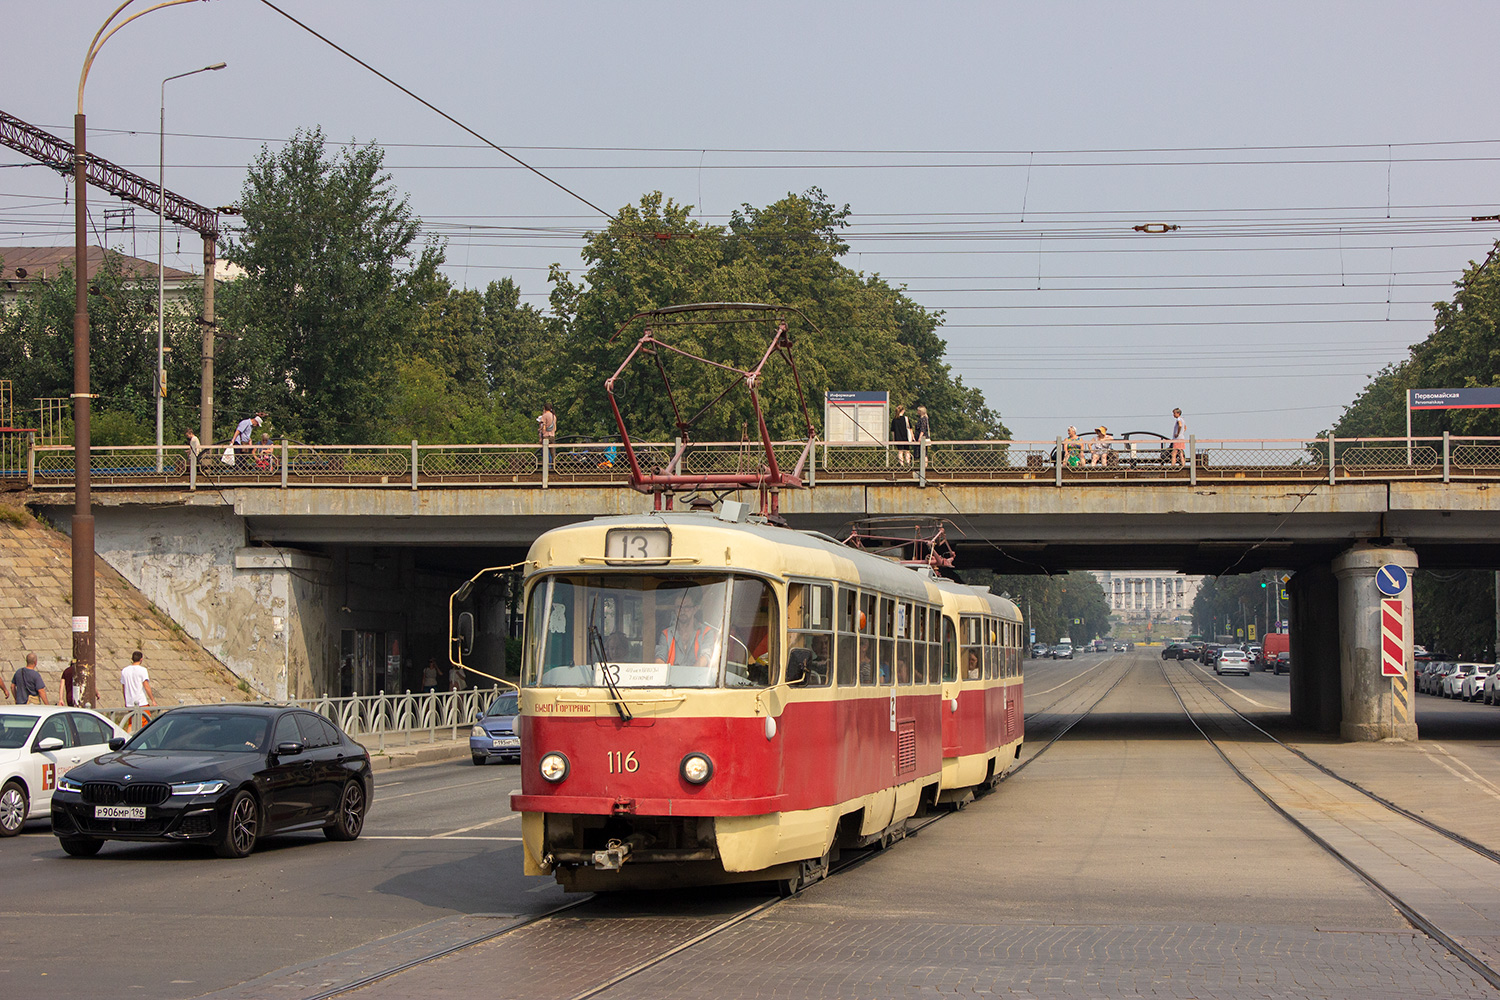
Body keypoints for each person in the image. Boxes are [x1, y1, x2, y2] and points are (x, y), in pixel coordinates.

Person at [655, 588, 720, 667]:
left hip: (698, 678)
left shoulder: (706, 632)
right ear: (675, 610)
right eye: (679, 607)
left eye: (687, 607)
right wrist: (661, 668)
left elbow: (706, 657)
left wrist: (690, 675)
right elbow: (660, 658)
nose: (682, 611)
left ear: (695, 609)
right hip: (672, 678)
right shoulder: (666, 634)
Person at [120, 650, 154, 730]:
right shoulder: (142, 670)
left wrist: (126, 700)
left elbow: (123, 688)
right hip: (141, 702)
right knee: (146, 724)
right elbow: (146, 686)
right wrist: (153, 700)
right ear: (141, 659)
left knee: (131, 724)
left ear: (132, 659)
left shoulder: (125, 670)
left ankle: (128, 740)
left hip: (130, 702)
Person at [538, 403, 557, 469]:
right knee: (553, 452)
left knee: (545, 452)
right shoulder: (553, 416)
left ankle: (547, 466)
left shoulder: (544, 415)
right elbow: (555, 428)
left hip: (546, 436)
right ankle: (554, 466)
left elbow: (543, 426)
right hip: (552, 435)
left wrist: (541, 433)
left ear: (545, 408)